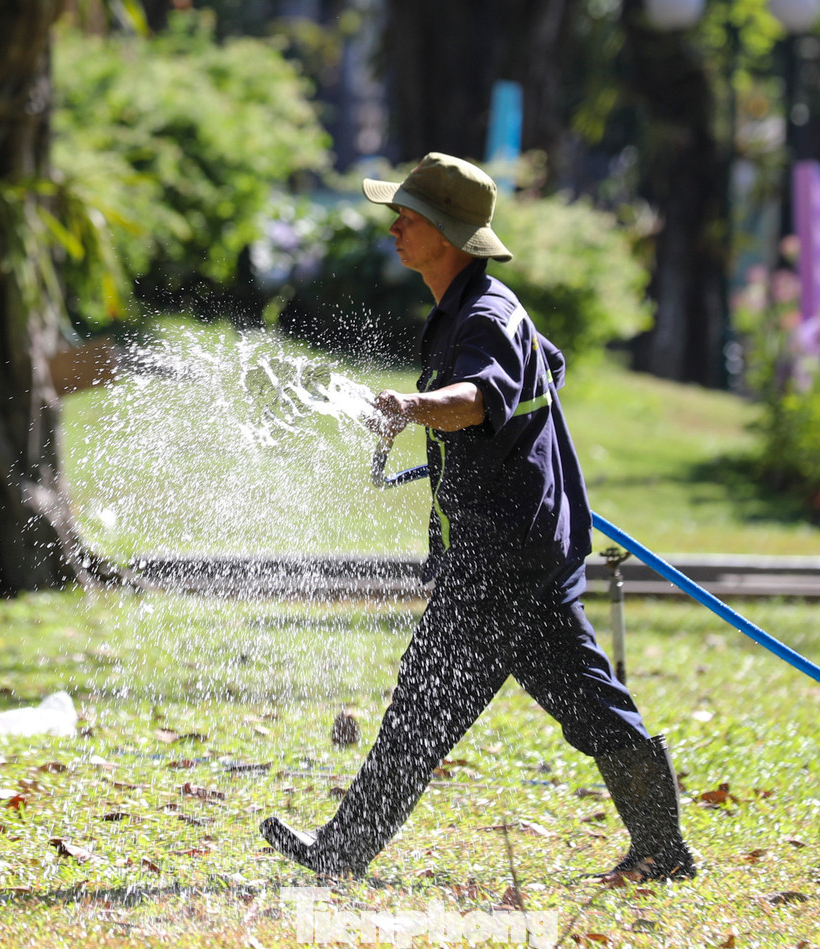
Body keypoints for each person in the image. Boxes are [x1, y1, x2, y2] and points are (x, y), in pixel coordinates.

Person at [260, 153, 694, 882]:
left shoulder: (487, 314)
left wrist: (411, 407)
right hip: (512, 553)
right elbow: (543, 368)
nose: (394, 227)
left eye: (408, 217)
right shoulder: (473, 310)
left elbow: (479, 397)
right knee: (567, 703)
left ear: (448, 234)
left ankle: (342, 853)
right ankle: (662, 847)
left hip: (505, 562)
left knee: (437, 701)